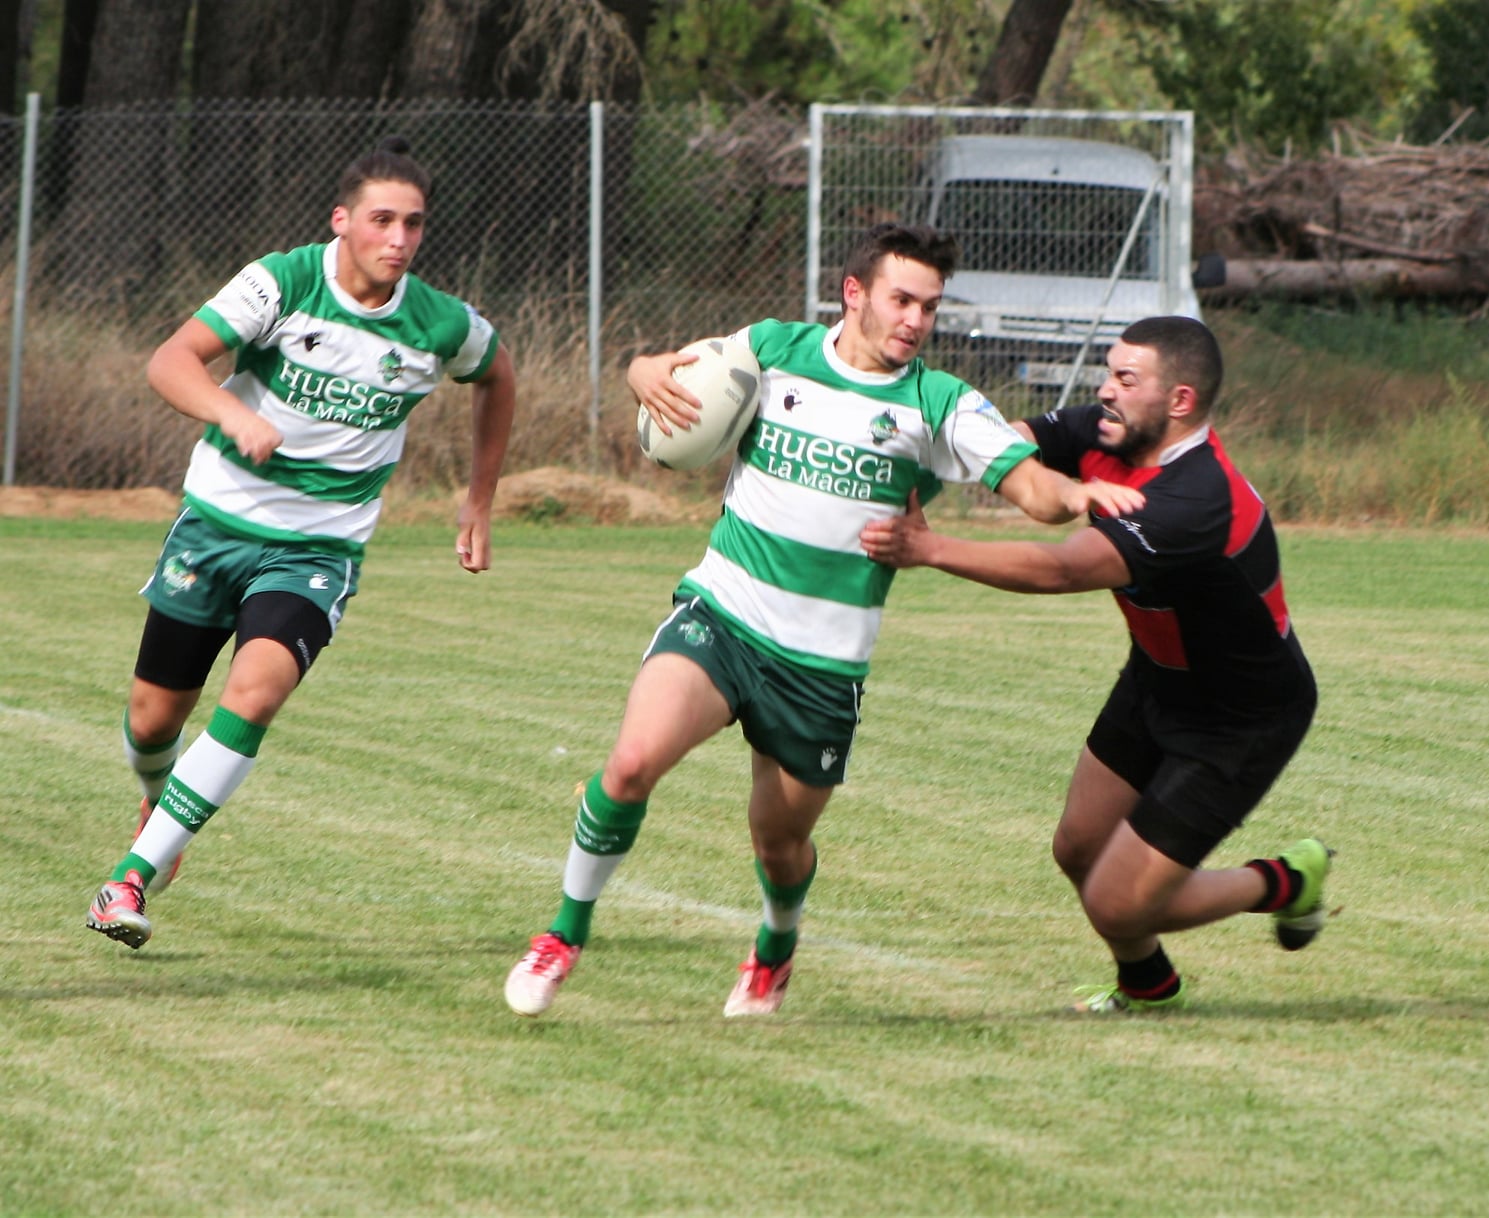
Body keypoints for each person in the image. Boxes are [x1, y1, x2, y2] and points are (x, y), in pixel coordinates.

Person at [504, 222, 1142, 1018]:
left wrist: (1079, 496)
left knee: (779, 843)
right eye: (901, 299)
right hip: (724, 614)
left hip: (823, 665)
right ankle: (563, 935)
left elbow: (1034, 490)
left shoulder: (936, 402)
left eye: (930, 307)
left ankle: (775, 945)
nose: (915, 320)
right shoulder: (773, 350)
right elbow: (667, 367)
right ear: (854, 293)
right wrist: (640, 372)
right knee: (632, 763)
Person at [85, 136, 517, 950]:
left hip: (317, 552)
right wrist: (231, 412)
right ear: (342, 221)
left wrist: (479, 500)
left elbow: (498, 376)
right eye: (383, 220)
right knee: (152, 722)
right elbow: (171, 360)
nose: (399, 240)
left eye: (414, 224)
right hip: (215, 528)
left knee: (254, 695)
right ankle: (158, 794)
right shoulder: (281, 282)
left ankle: (131, 876)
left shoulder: (438, 323)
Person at [860, 315, 1330, 1013]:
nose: (1103, 391)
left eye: (1125, 378)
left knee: (1116, 903)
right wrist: (916, 459)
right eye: (1109, 372)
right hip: (1157, 679)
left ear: (1180, 402)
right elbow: (1009, 445)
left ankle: (1287, 882)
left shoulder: (1196, 499)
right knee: (1078, 847)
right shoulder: (1108, 430)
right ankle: (1151, 985)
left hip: (1240, 718)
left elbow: (1061, 571)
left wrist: (930, 548)